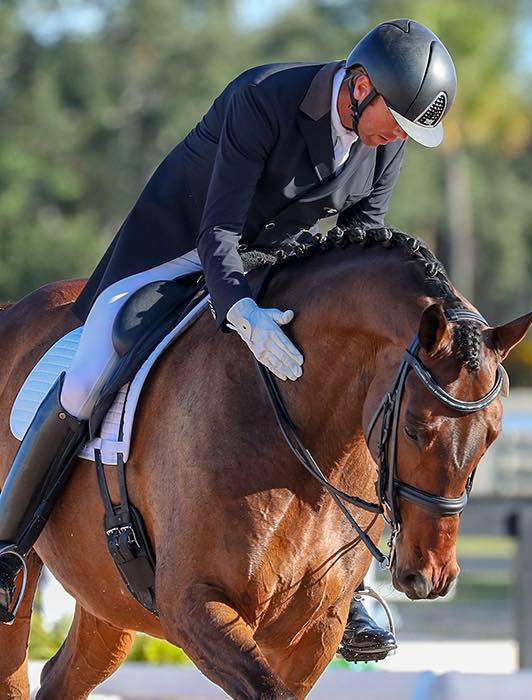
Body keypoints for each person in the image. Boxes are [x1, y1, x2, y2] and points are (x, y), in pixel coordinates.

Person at [0, 18, 456, 658]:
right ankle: (9, 547)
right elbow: (219, 231)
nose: (395, 139)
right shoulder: (263, 98)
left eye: (406, 132)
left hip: (277, 266)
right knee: (93, 360)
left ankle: (345, 583)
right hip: (177, 251)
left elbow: (360, 240)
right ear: (358, 87)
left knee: (341, 392)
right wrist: (239, 310)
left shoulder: (385, 133)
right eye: (395, 122)